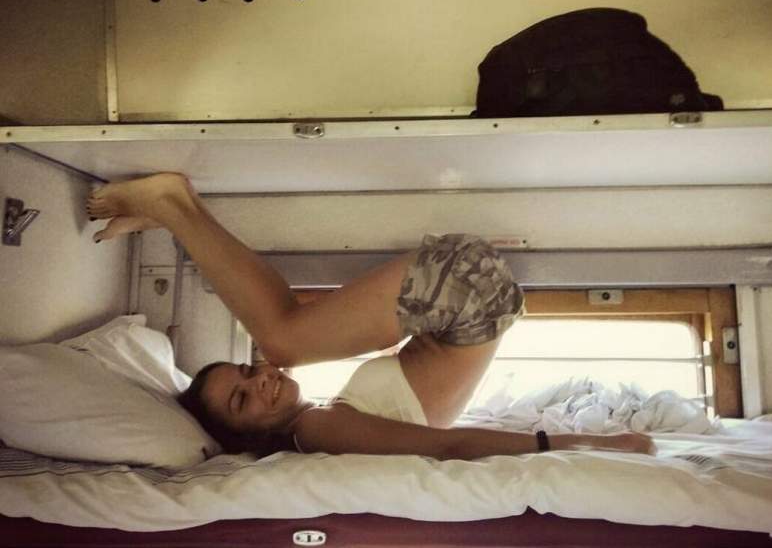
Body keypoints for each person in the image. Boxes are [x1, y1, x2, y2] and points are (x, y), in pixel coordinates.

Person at [87, 173, 655, 460]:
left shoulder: (324, 413)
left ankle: (177, 209)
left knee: (285, 336)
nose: (259, 379)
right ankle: (172, 207)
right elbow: (449, 448)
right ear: (246, 438)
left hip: (467, 293)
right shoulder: (314, 430)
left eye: (245, 371)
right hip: (467, 293)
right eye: (242, 399)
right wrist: (593, 446)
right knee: (284, 338)